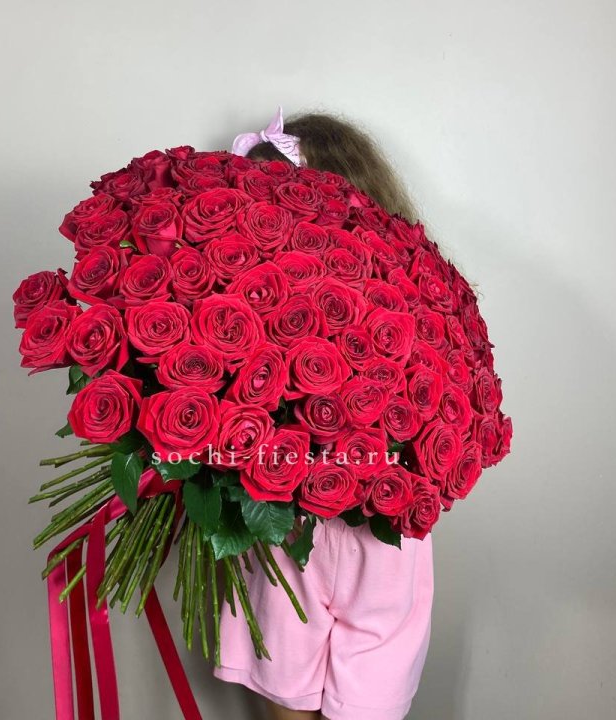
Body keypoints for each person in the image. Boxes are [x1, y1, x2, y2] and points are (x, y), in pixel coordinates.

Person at [212, 108, 434, 720]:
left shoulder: (411, 305)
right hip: (282, 525)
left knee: (371, 699)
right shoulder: (241, 304)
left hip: (381, 536)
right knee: (284, 689)